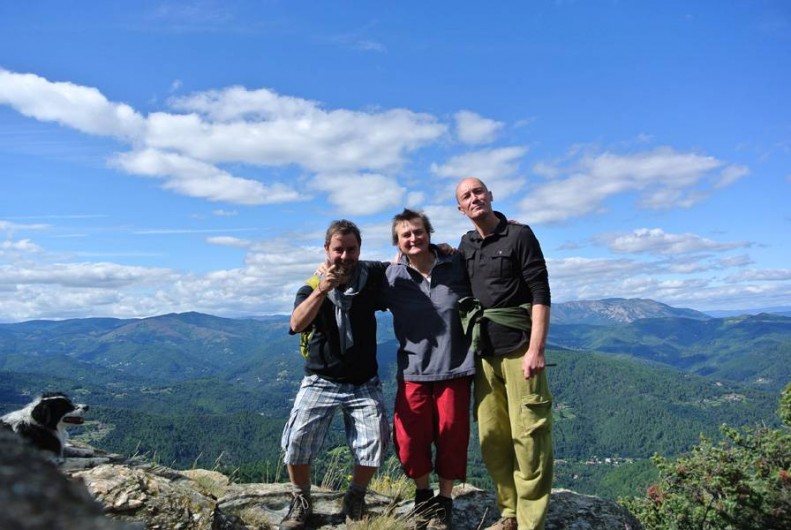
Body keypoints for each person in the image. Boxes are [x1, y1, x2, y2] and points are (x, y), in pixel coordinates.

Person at [454, 178, 554, 530]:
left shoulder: (519, 235)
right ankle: (509, 513)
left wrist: (536, 349)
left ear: (491, 196)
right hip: (483, 353)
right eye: (466, 196)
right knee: (492, 437)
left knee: (529, 437)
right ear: (461, 209)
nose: (474, 198)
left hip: (519, 349)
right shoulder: (465, 245)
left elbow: (540, 292)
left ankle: (530, 522)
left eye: (478, 191)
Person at [280, 219, 390, 530]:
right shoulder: (312, 286)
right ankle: (300, 500)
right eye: (338, 250)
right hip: (321, 378)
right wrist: (322, 290)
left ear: (359, 249)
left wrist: (443, 247)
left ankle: (355, 496)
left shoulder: (371, 277)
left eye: (351, 249)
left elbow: (405, 257)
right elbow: (296, 324)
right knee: (298, 438)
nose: (344, 257)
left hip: (363, 380)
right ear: (327, 250)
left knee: (374, 441)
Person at [383, 209, 475, 530]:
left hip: (455, 368)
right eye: (406, 235)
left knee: (452, 436)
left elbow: (486, 255)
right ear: (398, 242)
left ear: (429, 233)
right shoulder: (391, 277)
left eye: (418, 232)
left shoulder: (456, 265)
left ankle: (445, 499)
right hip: (413, 371)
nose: (413, 238)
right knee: (409, 439)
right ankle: (423, 494)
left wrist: (507, 223)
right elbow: (354, 279)